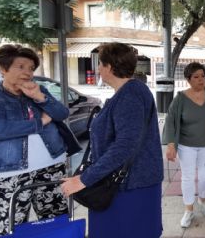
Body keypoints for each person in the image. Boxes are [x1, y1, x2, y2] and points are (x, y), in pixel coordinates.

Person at [61, 43, 163, 238]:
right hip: (126, 184)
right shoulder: (129, 92)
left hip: (130, 187)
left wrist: (84, 179)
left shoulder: (130, 95)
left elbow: (125, 145)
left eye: (100, 63)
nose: (98, 68)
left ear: (109, 66)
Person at [0, 45, 69, 236]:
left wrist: (39, 97)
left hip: (51, 165)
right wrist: (39, 122)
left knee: (56, 220)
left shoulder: (37, 90)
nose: (28, 72)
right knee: (11, 226)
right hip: (10, 171)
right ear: (2, 68)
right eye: (21, 66)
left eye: (31, 68)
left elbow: (61, 113)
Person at [162, 62, 205, 228]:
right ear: (188, 80)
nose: (201, 80)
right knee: (188, 177)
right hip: (186, 146)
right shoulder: (180, 99)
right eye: (196, 77)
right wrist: (171, 144)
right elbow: (170, 121)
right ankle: (189, 209)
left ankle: (203, 198)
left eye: (203, 76)